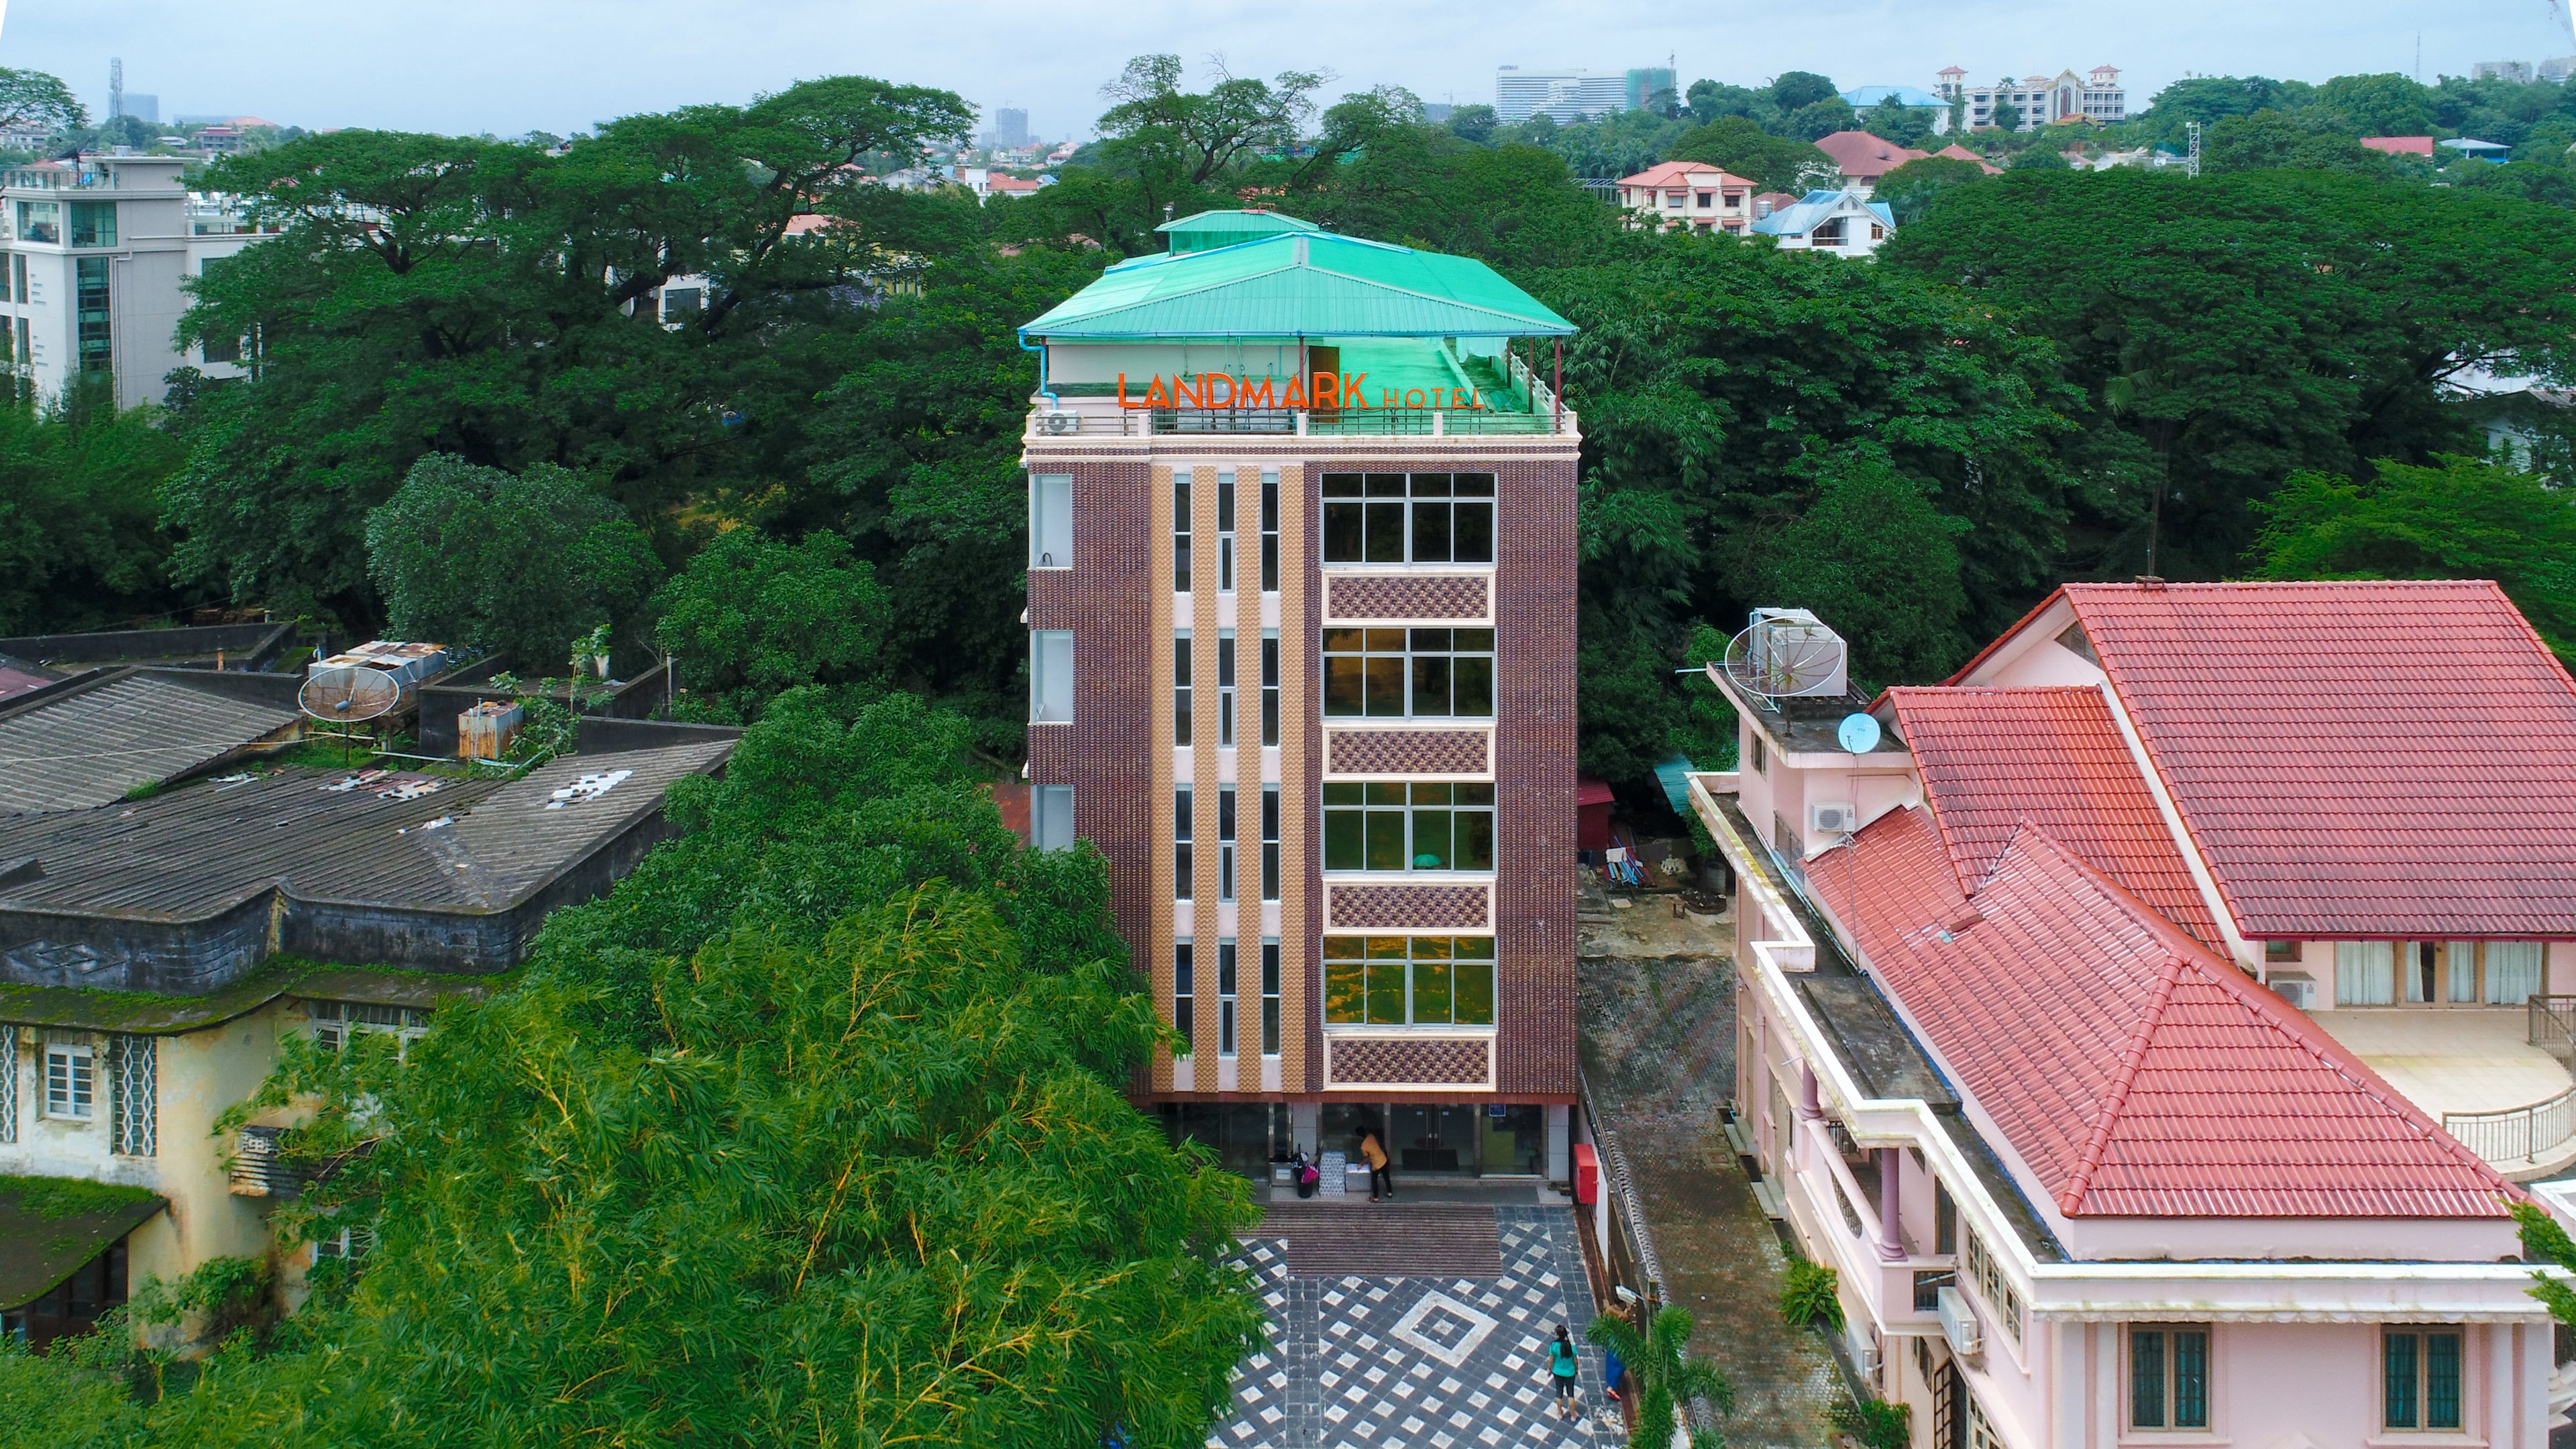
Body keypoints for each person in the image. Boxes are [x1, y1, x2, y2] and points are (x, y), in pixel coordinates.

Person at [1547, 1324, 1581, 1421]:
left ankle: (1560, 1413)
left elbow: (1551, 1360)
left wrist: (1549, 1369)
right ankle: (1573, 1415)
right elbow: (1575, 1360)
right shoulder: (1571, 1347)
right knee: (1571, 1394)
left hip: (1557, 1372)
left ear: (1558, 1335)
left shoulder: (1554, 1346)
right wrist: (1576, 1370)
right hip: (1570, 1373)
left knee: (1559, 1393)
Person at [1359, 1129, 1393, 1202]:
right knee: (1386, 1177)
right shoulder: (1371, 1136)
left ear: (1360, 1137)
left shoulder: (1363, 1147)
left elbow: (1367, 1158)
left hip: (1377, 1164)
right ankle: (1389, 1192)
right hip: (1383, 1159)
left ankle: (1375, 1198)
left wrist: (1361, 1164)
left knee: (1374, 1180)